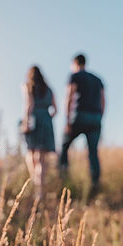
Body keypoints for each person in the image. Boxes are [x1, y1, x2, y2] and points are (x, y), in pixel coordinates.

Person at [59, 54, 105, 195]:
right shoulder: (98, 79)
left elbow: (69, 97)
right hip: (96, 117)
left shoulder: (75, 76)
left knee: (64, 146)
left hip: (80, 116)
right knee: (93, 153)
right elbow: (103, 101)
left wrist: (67, 120)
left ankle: (64, 180)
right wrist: (99, 118)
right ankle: (95, 185)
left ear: (75, 63)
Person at [22, 66, 57, 198]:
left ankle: (35, 183)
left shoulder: (28, 86)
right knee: (41, 159)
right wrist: (47, 119)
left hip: (33, 120)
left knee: (31, 153)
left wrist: (26, 122)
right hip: (46, 121)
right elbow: (55, 109)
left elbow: (28, 104)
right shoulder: (49, 89)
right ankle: (40, 190)